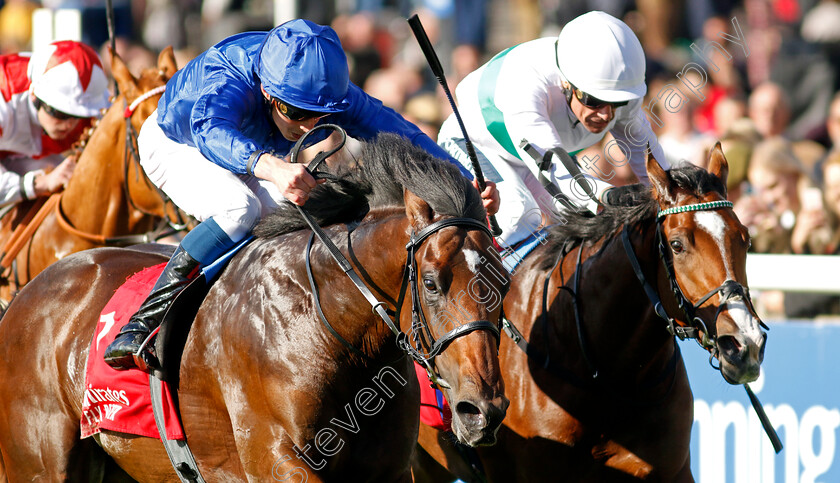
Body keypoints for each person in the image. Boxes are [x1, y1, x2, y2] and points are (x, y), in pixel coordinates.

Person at [104, 19, 498, 371]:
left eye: (321, 118)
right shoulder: (228, 75)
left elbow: (402, 135)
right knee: (239, 208)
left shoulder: (324, 89)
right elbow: (210, 130)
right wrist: (271, 166)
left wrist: (463, 183)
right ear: (267, 91)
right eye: (296, 113)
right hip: (179, 142)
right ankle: (143, 321)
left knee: (309, 222)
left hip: (248, 149)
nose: (308, 125)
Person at [437, 10, 667, 248]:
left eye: (616, 103)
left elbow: (652, 163)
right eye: (593, 100)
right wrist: (610, 194)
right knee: (519, 215)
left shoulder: (621, 89)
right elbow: (555, 170)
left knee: (592, 220)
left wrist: (675, 194)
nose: (606, 115)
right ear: (566, 83)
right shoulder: (525, 84)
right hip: (474, 142)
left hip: (533, 159)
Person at [0, 40, 110, 208]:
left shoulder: (96, 103)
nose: (70, 125)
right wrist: (41, 183)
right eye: (61, 113)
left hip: (25, 155)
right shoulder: (5, 96)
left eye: (78, 116)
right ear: (34, 95)